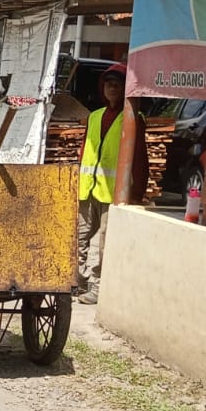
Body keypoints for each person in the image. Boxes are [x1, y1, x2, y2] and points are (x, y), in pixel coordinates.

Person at [75, 63, 146, 304]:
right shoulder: (94, 117)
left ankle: (98, 286)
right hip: (88, 189)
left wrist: (136, 192)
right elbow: (85, 151)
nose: (112, 89)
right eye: (108, 84)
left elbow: (139, 157)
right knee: (79, 236)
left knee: (104, 243)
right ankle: (77, 281)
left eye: (117, 85)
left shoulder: (133, 119)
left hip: (113, 192)